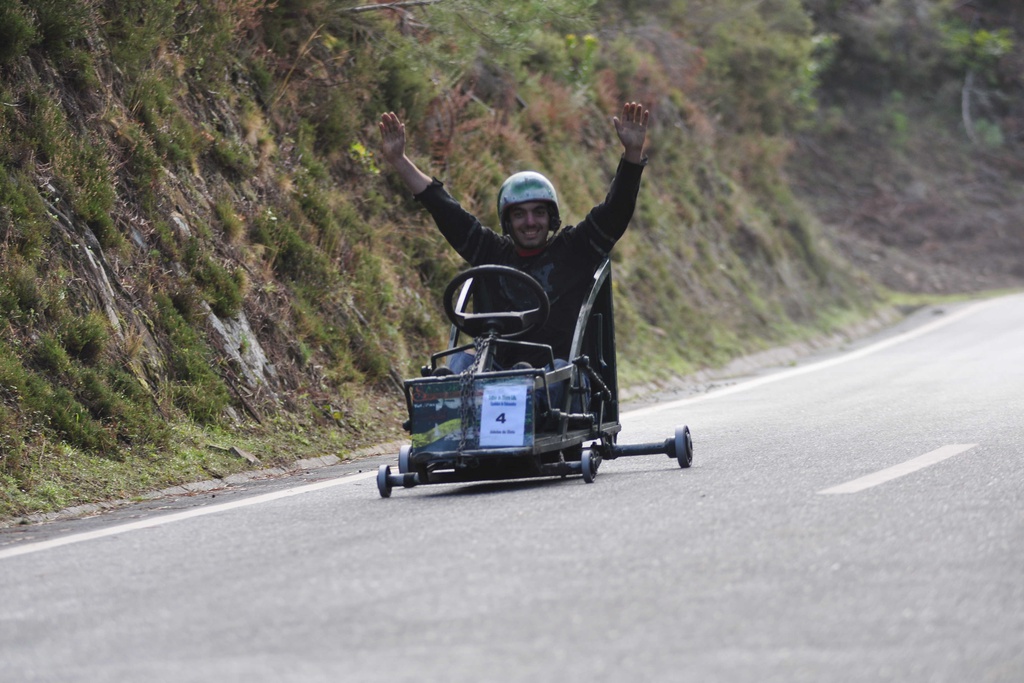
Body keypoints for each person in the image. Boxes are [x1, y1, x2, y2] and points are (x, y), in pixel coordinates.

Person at [378, 101, 649, 377]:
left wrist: (632, 154)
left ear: (551, 218)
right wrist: (400, 161)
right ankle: (453, 400)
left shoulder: (575, 249)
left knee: (553, 371)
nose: (530, 222)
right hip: (495, 371)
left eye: (538, 213)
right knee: (459, 361)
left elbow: (616, 212)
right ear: (508, 221)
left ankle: (525, 384)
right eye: (519, 214)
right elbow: (445, 209)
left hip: (556, 378)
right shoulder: (491, 252)